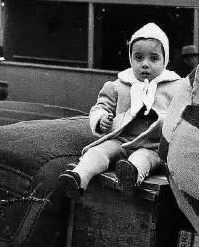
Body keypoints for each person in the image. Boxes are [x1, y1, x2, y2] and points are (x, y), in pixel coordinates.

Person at [57, 22, 183, 198]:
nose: (145, 64)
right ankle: (79, 177)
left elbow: (183, 116)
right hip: (122, 140)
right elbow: (101, 106)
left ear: (165, 60)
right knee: (100, 151)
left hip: (154, 145)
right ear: (130, 58)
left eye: (154, 58)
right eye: (138, 58)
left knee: (144, 159)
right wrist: (102, 119)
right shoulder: (119, 85)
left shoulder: (176, 87)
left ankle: (131, 175)